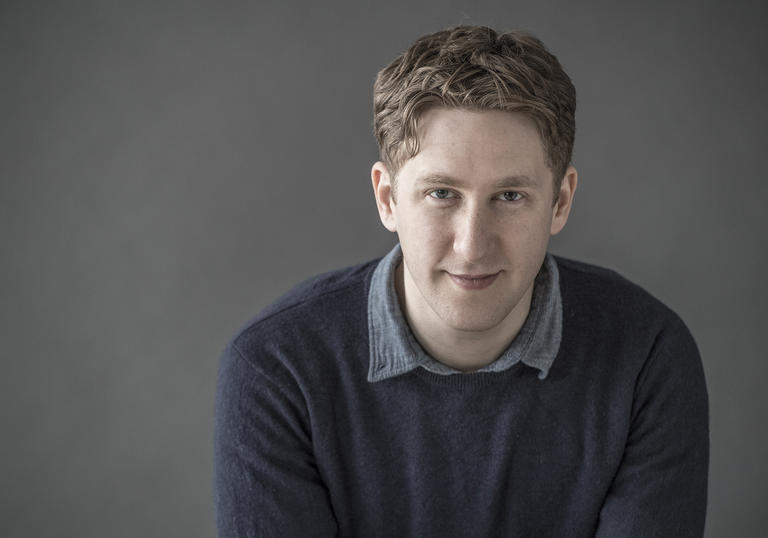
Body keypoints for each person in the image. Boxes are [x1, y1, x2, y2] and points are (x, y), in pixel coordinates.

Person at [213, 25, 709, 537]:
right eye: (442, 193)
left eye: (510, 196)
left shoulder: (646, 357)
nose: (472, 246)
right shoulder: (278, 368)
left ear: (560, 201)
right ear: (388, 199)